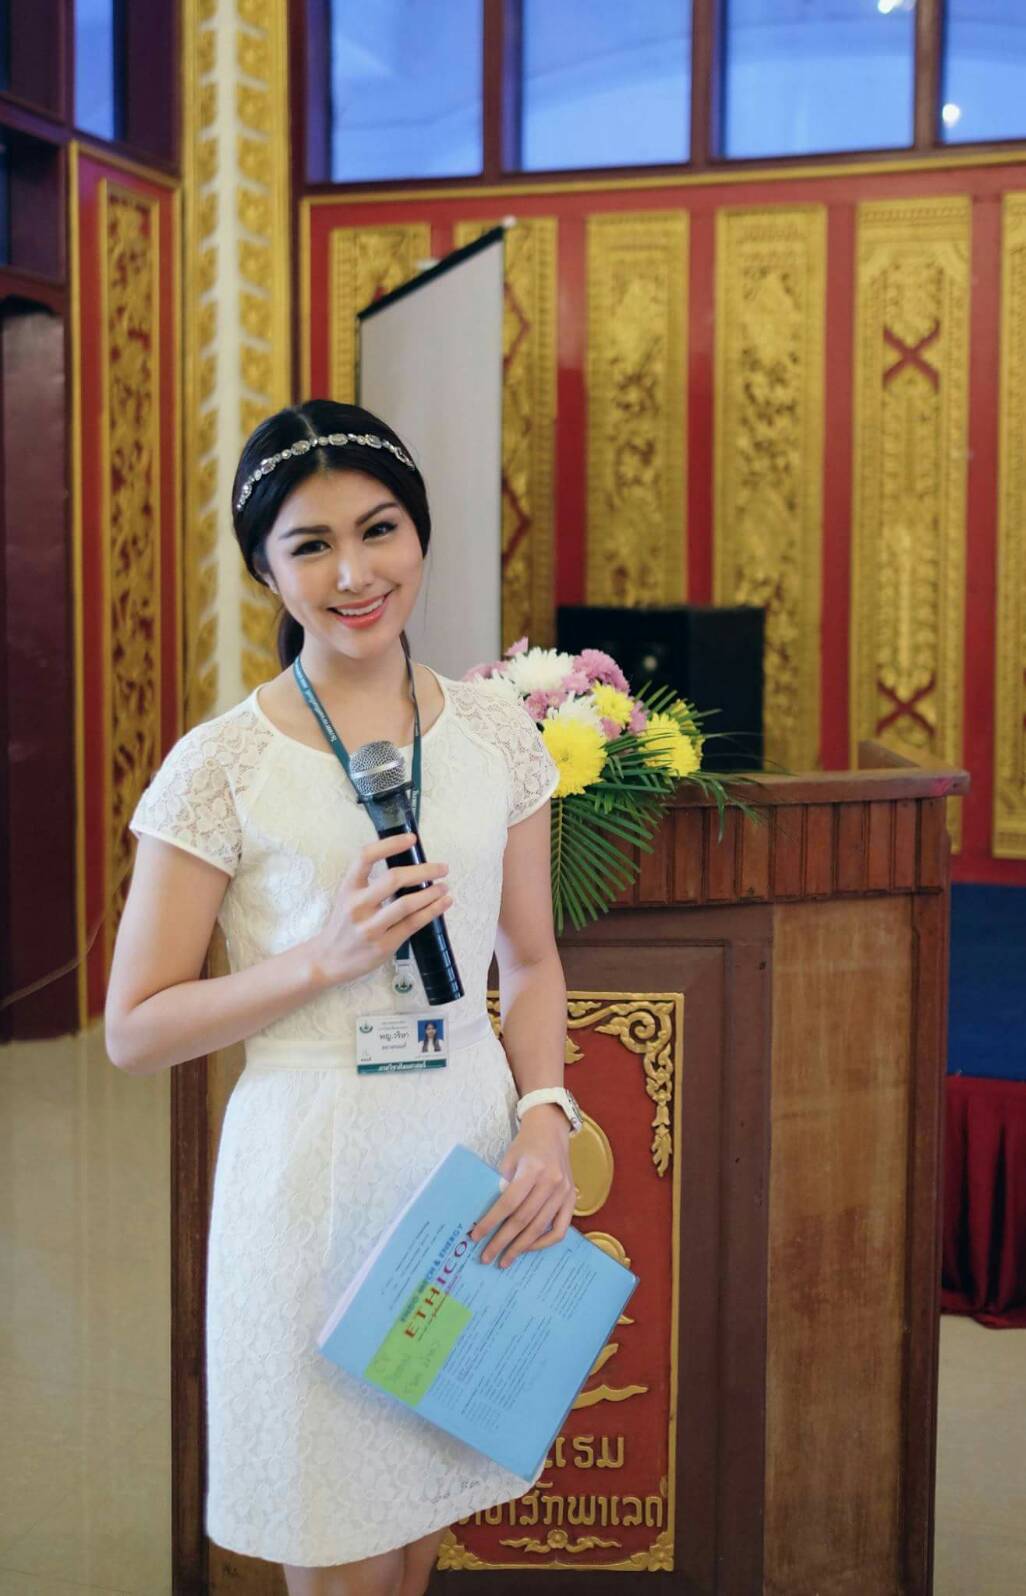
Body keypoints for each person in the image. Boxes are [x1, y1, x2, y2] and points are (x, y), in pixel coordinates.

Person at [104, 400, 578, 1596]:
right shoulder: (222, 765)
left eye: (379, 530)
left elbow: (529, 962)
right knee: (342, 1557)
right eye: (311, 545)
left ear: (421, 536)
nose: (355, 574)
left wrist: (544, 1120)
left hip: (464, 1172)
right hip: (309, 1185)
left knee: (414, 1544)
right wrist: (316, 960)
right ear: (266, 570)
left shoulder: (496, 734)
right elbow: (134, 1029)